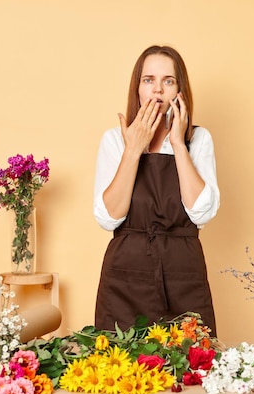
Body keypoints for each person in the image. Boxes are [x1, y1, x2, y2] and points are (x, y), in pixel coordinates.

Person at [93, 45, 220, 335]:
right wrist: (133, 150)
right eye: (148, 80)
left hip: (183, 274)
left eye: (168, 81)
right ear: (137, 88)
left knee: (190, 370)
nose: (157, 90)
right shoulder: (114, 140)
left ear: (180, 90)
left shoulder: (197, 139)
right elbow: (108, 217)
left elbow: (201, 213)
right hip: (125, 277)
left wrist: (177, 143)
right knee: (122, 371)